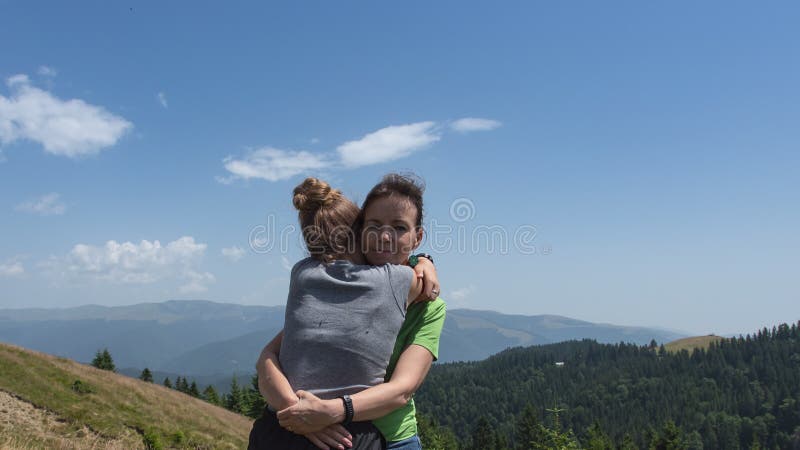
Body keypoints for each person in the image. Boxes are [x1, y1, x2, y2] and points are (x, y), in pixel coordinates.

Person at [249, 175, 445, 450]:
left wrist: (318, 414)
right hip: (335, 431)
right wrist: (304, 415)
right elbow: (267, 359)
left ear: (417, 237)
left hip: (391, 435)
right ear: (359, 231)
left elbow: (402, 389)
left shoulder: (430, 305)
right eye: (374, 225)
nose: (385, 236)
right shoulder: (397, 283)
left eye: (399, 227)